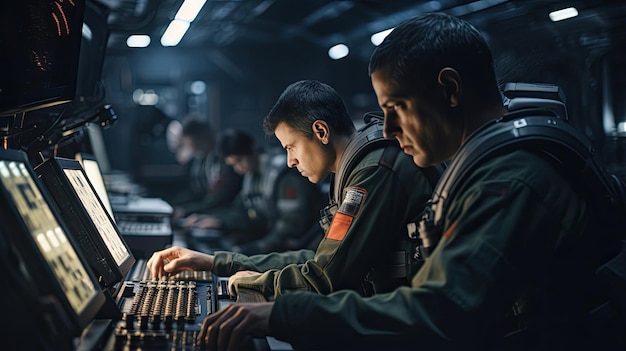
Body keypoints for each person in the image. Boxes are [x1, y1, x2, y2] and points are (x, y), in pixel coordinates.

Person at [182, 12, 626, 351]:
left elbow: (441, 311)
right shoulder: (487, 169)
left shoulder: (511, 181)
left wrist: (282, 313)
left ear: (450, 90)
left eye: (397, 107)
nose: (389, 130)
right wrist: (226, 268)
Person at [148, 80, 440, 302]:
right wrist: (215, 262)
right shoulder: (358, 166)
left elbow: (323, 277)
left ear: (321, 132)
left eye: (291, 147)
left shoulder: (372, 173)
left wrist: (259, 281)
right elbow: (318, 259)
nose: (290, 160)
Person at [182, 128, 326, 255]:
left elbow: (291, 225)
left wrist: (255, 248)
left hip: (300, 247)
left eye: (239, 161)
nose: (238, 168)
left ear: (252, 149)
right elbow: (242, 210)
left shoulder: (284, 176)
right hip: (274, 242)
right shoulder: (251, 177)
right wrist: (219, 220)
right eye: (233, 164)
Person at [168, 115, 243, 221]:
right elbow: (196, 192)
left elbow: (221, 196)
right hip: (211, 209)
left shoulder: (224, 155)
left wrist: (187, 210)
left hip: (226, 211)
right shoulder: (203, 158)